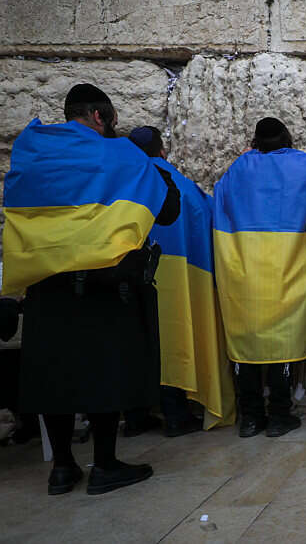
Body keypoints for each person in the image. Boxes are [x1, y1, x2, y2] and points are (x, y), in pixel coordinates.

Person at [3, 83, 180, 495]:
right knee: (104, 373)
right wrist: (126, 152)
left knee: (55, 376)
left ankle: (62, 468)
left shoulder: (32, 151)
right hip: (103, 286)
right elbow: (168, 209)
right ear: (102, 116)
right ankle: (104, 464)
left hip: (45, 285)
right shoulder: (119, 154)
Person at [214, 117, 306, 439]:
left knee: (245, 343)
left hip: (243, 272)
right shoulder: (302, 164)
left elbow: (220, 194)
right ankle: (279, 415)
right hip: (285, 271)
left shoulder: (239, 168)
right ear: (288, 137)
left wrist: (245, 159)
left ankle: (250, 418)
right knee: (283, 340)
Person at [128, 127, 236, 436]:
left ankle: (135, 419)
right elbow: (206, 217)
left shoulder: (123, 182)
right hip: (174, 279)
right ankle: (175, 414)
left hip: (124, 278)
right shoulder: (180, 186)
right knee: (174, 340)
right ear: (162, 151)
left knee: (134, 341)